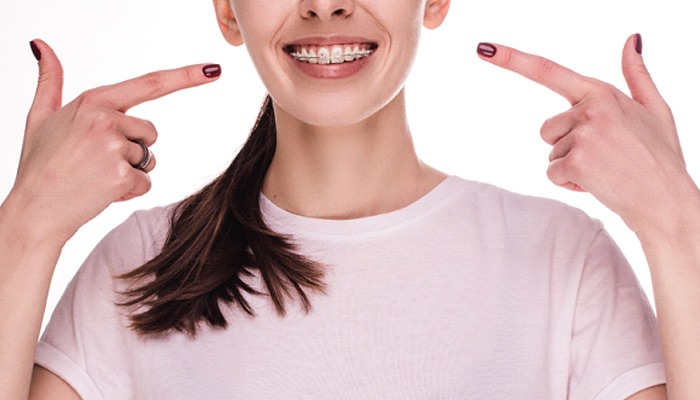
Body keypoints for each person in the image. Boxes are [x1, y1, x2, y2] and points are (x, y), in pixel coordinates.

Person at [1, 0, 697, 398]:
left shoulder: (560, 258)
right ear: (226, 9)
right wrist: (25, 228)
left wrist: (676, 219)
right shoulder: (145, 262)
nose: (324, 2)